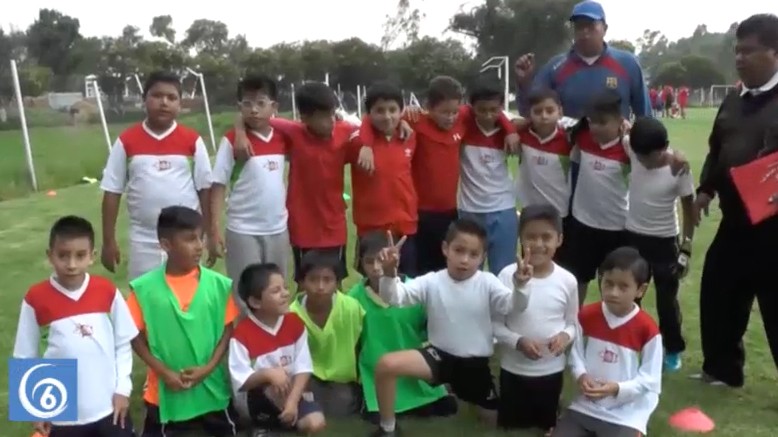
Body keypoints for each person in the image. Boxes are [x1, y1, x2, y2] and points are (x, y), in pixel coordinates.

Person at [368, 219, 531, 436]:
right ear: (446, 249)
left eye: (473, 255)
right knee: (386, 365)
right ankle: (388, 428)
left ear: (483, 257)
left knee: (497, 422)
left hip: (474, 366)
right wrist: (389, 274)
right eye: (459, 251)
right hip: (439, 357)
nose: (464, 260)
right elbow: (395, 298)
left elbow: (514, 307)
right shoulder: (432, 281)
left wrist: (520, 286)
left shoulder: (487, 282)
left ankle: (462, 396)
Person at [694, 14, 778, 388]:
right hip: (736, 219)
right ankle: (723, 370)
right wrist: (705, 189)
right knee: (719, 290)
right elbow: (717, 149)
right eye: (737, 51)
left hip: (774, 226)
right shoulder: (732, 99)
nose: (739, 58)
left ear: (774, 53)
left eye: (749, 51)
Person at [362, 76, 518, 275]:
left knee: (448, 269)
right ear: (428, 107)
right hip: (420, 213)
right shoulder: (416, 120)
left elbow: (493, 110)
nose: (451, 117)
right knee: (421, 271)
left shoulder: (464, 117)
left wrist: (510, 130)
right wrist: (366, 145)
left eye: (454, 112)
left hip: (450, 212)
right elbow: (370, 117)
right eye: (444, 112)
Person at [231, 82, 376, 286]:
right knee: (305, 285)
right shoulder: (293, 131)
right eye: (323, 117)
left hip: (334, 226)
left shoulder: (344, 131)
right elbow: (253, 116)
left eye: (332, 113)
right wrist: (239, 131)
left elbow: (369, 125)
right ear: (305, 119)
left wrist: (366, 146)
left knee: (335, 284)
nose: (331, 121)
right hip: (303, 228)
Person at [12, 216, 138, 437]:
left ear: (92, 257)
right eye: (63, 256)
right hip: (62, 412)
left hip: (109, 407)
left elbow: (123, 343)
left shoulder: (106, 291)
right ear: (50, 256)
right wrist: (36, 409)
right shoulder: (36, 298)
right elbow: (25, 355)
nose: (71, 264)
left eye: (80, 256)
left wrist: (123, 390)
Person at [126, 206, 241, 436]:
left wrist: (208, 368)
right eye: (190, 239)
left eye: (201, 238)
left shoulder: (218, 285)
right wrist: (163, 372)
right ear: (166, 245)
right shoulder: (144, 290)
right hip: (166, 392)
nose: (199, 245)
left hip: (212, 389)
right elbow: (133, 335)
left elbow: (227, 330)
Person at [100, 71, 212, 281]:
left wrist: (208, 235)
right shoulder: (126, 141)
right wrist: (108, 240)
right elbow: (112, 192)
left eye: (171, 98)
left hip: (184, 238)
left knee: (185, 298)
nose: (164, 102)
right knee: (145, 300)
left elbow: (205, 190)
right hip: (143, 240)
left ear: (179, 104)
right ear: (144, 100)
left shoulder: (192, 141)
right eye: (157, 96)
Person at [552, 247, 662, 437]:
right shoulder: (586, 316)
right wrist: (582, 376)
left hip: (626, 413)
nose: (613, 292)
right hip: (585, 406)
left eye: (623, 287)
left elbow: (650, 380)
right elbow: (576, 355)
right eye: (608, 283)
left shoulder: (648, 329)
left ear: (640, 290)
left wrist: (617, 389)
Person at [348, 231, 457, 423]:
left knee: (447, 408)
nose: (375, 268)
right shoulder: (353, 297)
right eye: (369, 261)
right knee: (375, 414)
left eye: (381, 260)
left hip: (411, 370)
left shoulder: (414, 290)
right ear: (360, 263)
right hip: (375, 372)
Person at [492, 204, 578, 435]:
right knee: (510, 425)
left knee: (546, 425)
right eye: (531, 236)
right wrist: (518, 341)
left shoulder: (567, 281)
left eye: (546, 237)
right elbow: (496, 326)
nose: (538, 244)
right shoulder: (505, 276)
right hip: (513, 369)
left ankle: (554, 411)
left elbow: (572, 324)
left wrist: (564, 336)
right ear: (520, 238)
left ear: (559, 239)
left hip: (550, 371)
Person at [208, 75, 290, 303]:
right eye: (247, 104)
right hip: (243, 229)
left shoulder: (284, 136)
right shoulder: (232, 141)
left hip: (277, 229)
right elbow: (218, 185)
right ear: (239, 107)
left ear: (274, 106)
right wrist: (214, 231)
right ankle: (243, 338)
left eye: (261, 103)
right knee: (245, 295)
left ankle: (274, 338)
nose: (254, 110)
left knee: (276, 293)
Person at [625, 117, 695, 372]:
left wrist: (686, 246)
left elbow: (689, 210)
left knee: (667, 301)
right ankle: (633, 341)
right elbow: (620, 128)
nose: (643, 162)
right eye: (639, 156)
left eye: (650, 158)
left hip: (664, 241)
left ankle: (673, 348)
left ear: (664, 147)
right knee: (631, 296)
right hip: (633, 236)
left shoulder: (679, 169)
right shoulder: (632, 148)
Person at [229, 263, 326, 436]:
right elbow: (240, 381)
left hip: (293, 394)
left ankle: (288, 418)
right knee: (270, 386)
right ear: (255, 301)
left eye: (285, 288)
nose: (285, 294)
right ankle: (261, 427)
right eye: (276, 291)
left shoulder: (295, 323)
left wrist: (292, 403)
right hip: (258, 401)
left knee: (315, 423)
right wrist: (268, 374)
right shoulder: (242, 335)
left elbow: (304, 368)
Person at [514, 1, 651, 120]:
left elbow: (645, 116)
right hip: (569, 148)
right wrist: (524, 83)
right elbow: (531, 112)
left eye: (591, 26)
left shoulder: (628, 64)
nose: (585, 32)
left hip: (614, 149)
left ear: (604, 28)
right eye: (579, 26)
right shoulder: (555, 67)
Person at [350, 82, 419, 276]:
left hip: (405, 225)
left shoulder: (409, 136)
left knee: (406, 282)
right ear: (369, 113)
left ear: (401, 111)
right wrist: (366, 143)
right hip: (372, 228)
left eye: (392, 110)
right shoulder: (357, 142)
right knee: (375, 283)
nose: (387, 116)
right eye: (379, 111)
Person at [290, 250, 365, 417]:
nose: (321, 287)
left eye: (327, 280)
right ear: (302, 282)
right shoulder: (291, 315)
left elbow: (362, 346)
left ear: (337, 283)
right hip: (306, 379)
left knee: (340, 414)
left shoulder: (351, 308)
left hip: (342, 381)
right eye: (313, 280)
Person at [458, 79, 521, 275]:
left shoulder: (510, 125)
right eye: (482, 110)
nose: (488, 115)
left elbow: (528, 121)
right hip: (470, 210)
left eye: (494, 110)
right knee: (467, 272)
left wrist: (510, 130)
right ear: (471, 106)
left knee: (503, 273)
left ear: (502, 106)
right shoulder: (462, 123)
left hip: (503, 209)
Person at [515, 88, 574, 219]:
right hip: (529, 208)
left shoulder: (570, 137)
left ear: (560, 112)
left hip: (559, 210)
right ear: (529, 114)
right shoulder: (522, 134)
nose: (544, 116)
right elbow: (504, 121)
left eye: (550, 110)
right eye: (537, 111)